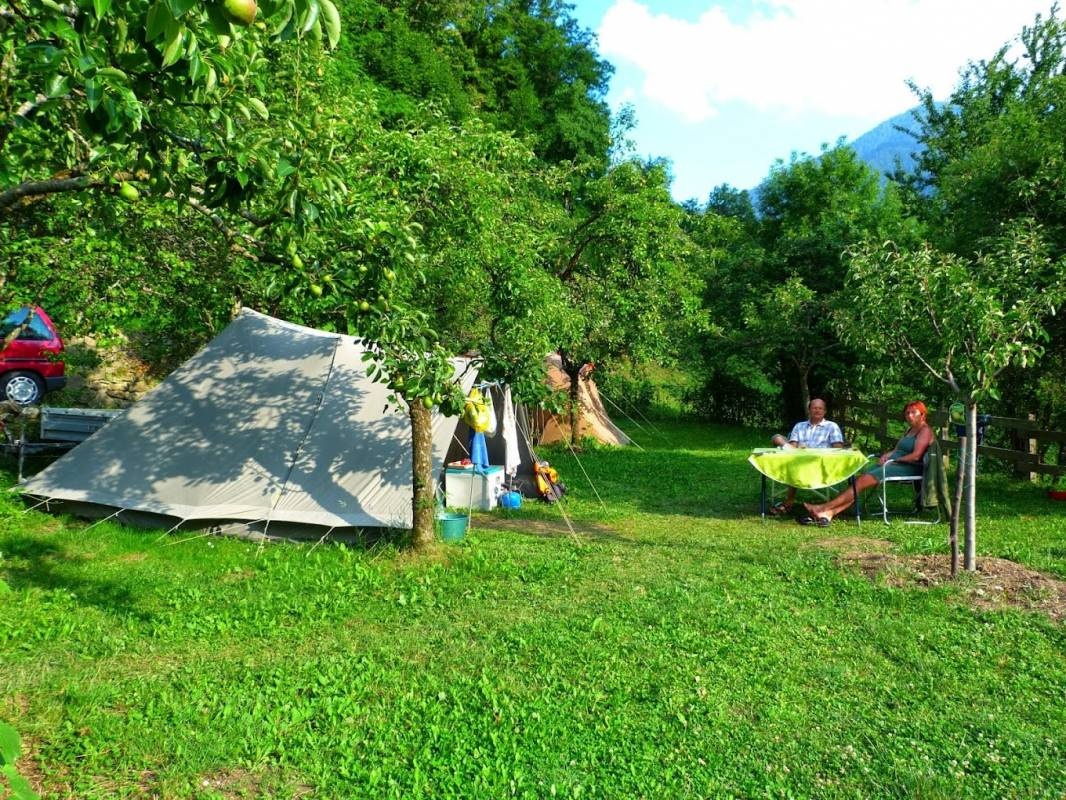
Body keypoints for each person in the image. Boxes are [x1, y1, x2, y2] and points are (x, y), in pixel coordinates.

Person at [799, 400, 933, 526]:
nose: (909, 416)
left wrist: (894, 460)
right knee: (858, 480)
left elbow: (916, 456)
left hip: (908, 467)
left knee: (861, 481)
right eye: (907, 413)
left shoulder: (924, 431)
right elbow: (897, 449)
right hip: (893, 463)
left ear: (922, 414)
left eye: (913, 412)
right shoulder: (910, 430)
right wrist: (886, 456)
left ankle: (822, 507)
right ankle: (829, 513)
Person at [767, 398, 845, 515]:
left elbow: (838, 448)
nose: (817, 411)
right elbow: (793, 447)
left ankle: (788, 502)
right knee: (777, 438)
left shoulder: (832, 426)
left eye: (820, 408)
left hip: (820, 464)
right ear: (809, 410)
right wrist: (797, 449)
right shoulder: (800, 426)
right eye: (814, 408)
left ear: (825, 411)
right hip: (799, 460)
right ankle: (789, 502)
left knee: (794, 462)